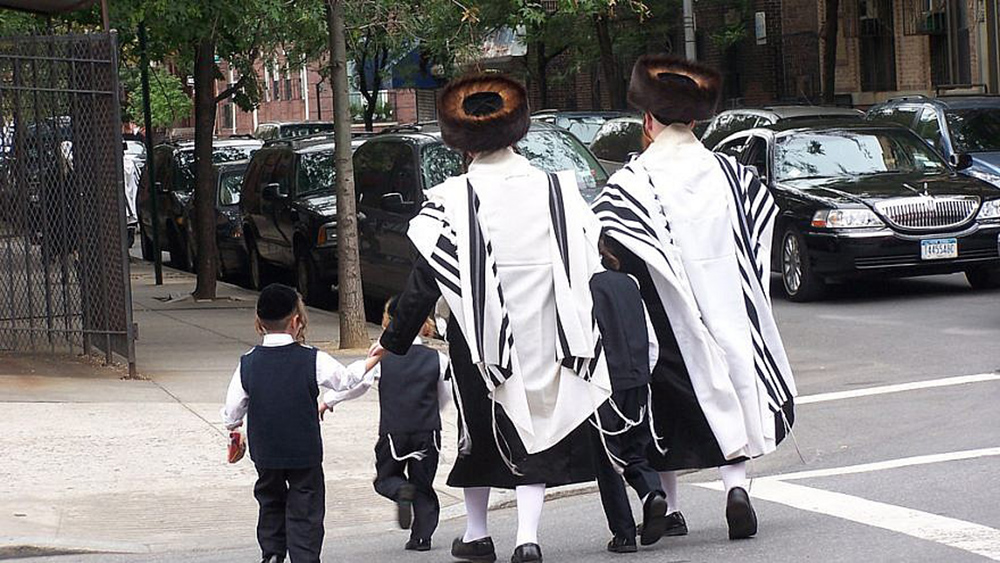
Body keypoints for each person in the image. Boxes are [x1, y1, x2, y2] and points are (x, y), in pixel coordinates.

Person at [369, 73, 612, 563]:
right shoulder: (556, 190)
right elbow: (592, 258)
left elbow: (425, 281)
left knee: (478, 433)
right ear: (518, 131)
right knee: (536, 429)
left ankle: (477, 534)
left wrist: (393, 340)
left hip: (477, 340)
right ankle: (527, 538)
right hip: (548, 334)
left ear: (461, 142)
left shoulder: (451, 200)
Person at [592, 54, 797, 541]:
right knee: (736, 386)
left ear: (648, 121)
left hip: (664, 315)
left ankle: (672, 507)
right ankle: (735, 488)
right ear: (694, 121)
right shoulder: (731, 174)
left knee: (665, 407)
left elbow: (607, 241)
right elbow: (761, 219)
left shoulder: (632, 181)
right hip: (730, 303)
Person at [221, 283, 374, 563]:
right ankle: (304, 557)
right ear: (296, 321)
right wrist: (372, 360)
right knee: (306, 507)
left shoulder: (247, 363)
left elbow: (233, 410)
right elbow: (345, 380)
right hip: (304, 450)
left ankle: (272, 554)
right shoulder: (313, 358)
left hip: (266, 451)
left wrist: (234, 428)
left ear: (258, 323)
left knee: (270, 501)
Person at [325, 296, 452, 553]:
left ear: (387, 323)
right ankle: (421, 538)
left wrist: (329, 401)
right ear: (424, 324)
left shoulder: (382, 358)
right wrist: (430, 413)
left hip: (394, 431)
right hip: (428, 431)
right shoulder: (438, 359)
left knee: (385, 477)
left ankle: (401, 489)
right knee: (423, 485)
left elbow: (358, 383)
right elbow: (446, 395)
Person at [589, 236, 678, 553]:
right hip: (637, 377)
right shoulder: (629, 281)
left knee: (608, 458)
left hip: (603, 382)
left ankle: (624, 533)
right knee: (635, 448)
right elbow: (650, 337)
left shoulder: (581, 289)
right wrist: (644, 373)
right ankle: (652, 493)